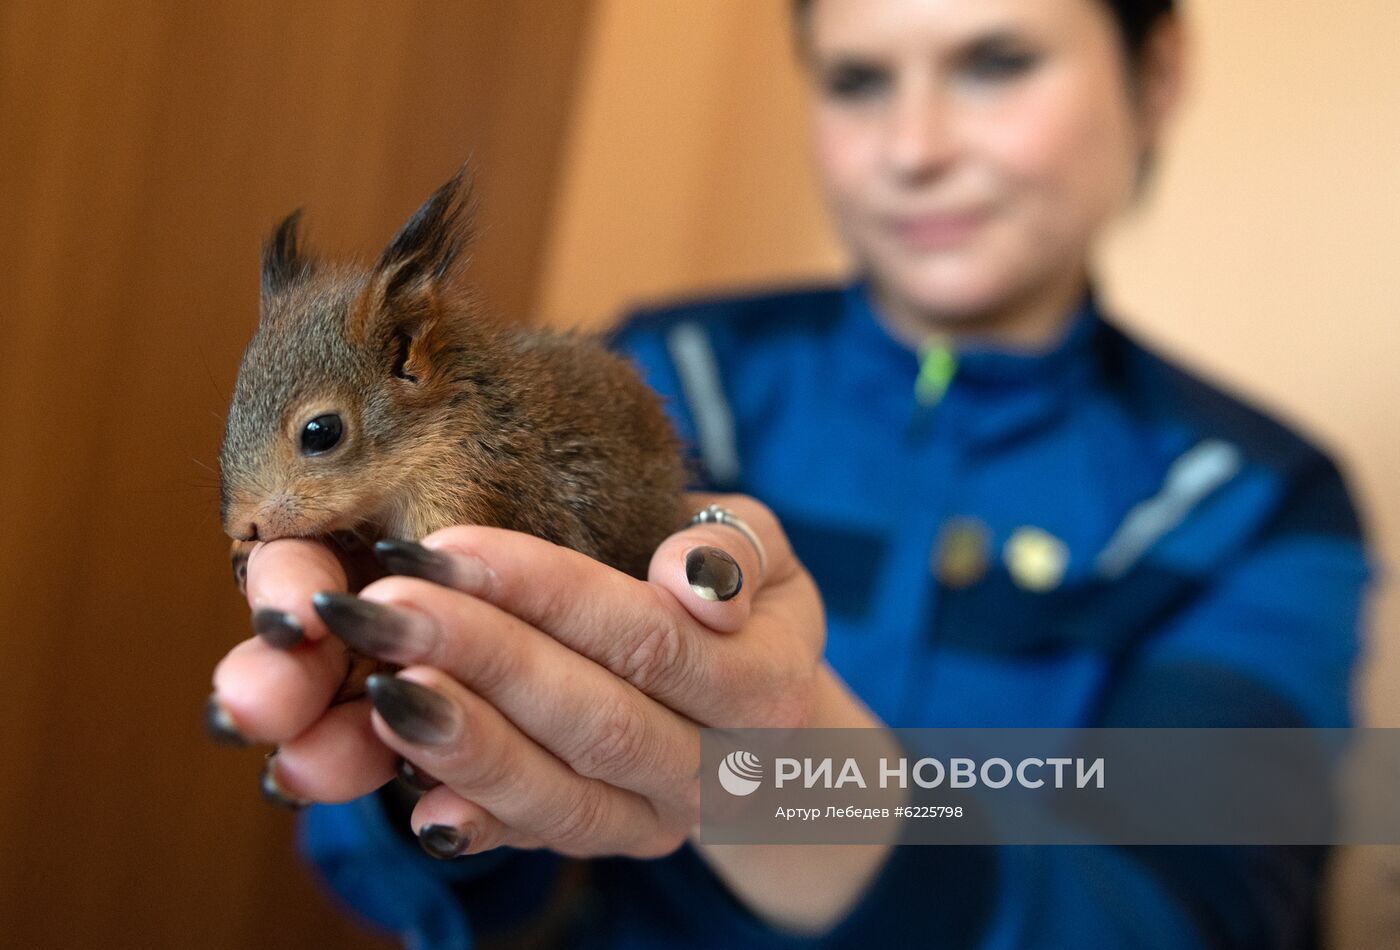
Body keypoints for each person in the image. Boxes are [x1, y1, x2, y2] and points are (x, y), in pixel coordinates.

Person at [207, 0, 1372, 946]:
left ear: (1153, 70)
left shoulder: (1255, 500)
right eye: (858, 79)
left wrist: (802, 791)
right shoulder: (674, 365)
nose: (915, 148)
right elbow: (471, 897)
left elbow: (1203, 912)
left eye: (995, 61)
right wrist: (417, 774)